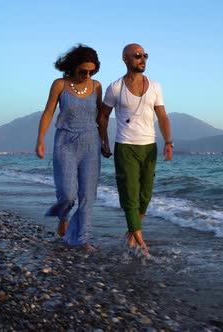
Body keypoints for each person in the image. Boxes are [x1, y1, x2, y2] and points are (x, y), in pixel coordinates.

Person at [98, 43, 173, 256]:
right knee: (129, 194)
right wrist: (104, 141)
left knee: (145, 195)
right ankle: (140, 241)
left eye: (145, 55)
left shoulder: (155, 86)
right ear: (125, 59)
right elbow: (102, 116)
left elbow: (162, 116)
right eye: (138, 56)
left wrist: (168, 141)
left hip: (149, 147)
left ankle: (132, 231)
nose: (143, 59)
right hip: (125, 147)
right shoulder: (115, 87)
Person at [35, 44, 103, 252]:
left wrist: (106, 142)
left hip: (91, 143)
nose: (88, 75)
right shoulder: (60, 85)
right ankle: (63, 216)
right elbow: (48, 112)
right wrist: (40, 140)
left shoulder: (97, 87)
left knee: (87, 196)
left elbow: (101, 117)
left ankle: (81, 239)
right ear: (73, 67)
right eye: (83, 71)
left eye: (92, 71)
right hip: (65, 142)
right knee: (67, 194)